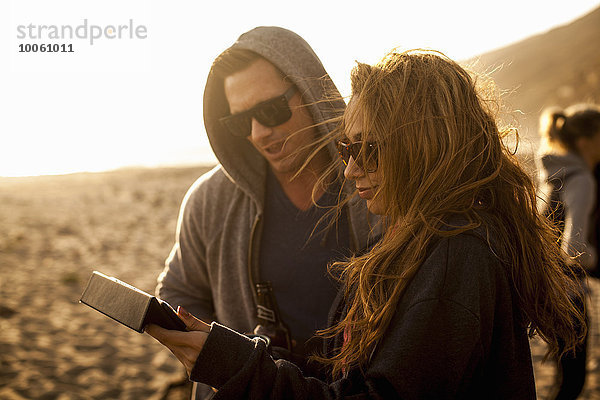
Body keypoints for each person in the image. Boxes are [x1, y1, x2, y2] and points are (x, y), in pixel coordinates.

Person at [148, 50, 585, 399]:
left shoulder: (455, 255)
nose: (351, 169)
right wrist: (254, 353)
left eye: (369, 150)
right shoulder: (411, 233)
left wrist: (238, 366)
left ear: (424, 145)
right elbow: (353, 378)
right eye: (346, 149)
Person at [154, 26, 379, 399]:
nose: (258, 133)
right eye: (240, 122)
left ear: (311, 91)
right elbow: (180, 291)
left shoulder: (377, 181)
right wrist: (226, 357)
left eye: (271, 110)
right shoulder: (209, 201)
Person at [537, 104, 600, 399]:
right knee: (572, 384)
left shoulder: (556, 175)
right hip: (569, 293)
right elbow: (573, 248)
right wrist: (595, 259)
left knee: (564, 380)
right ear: (586, 141)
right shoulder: (583, 180)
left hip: (548, 288)